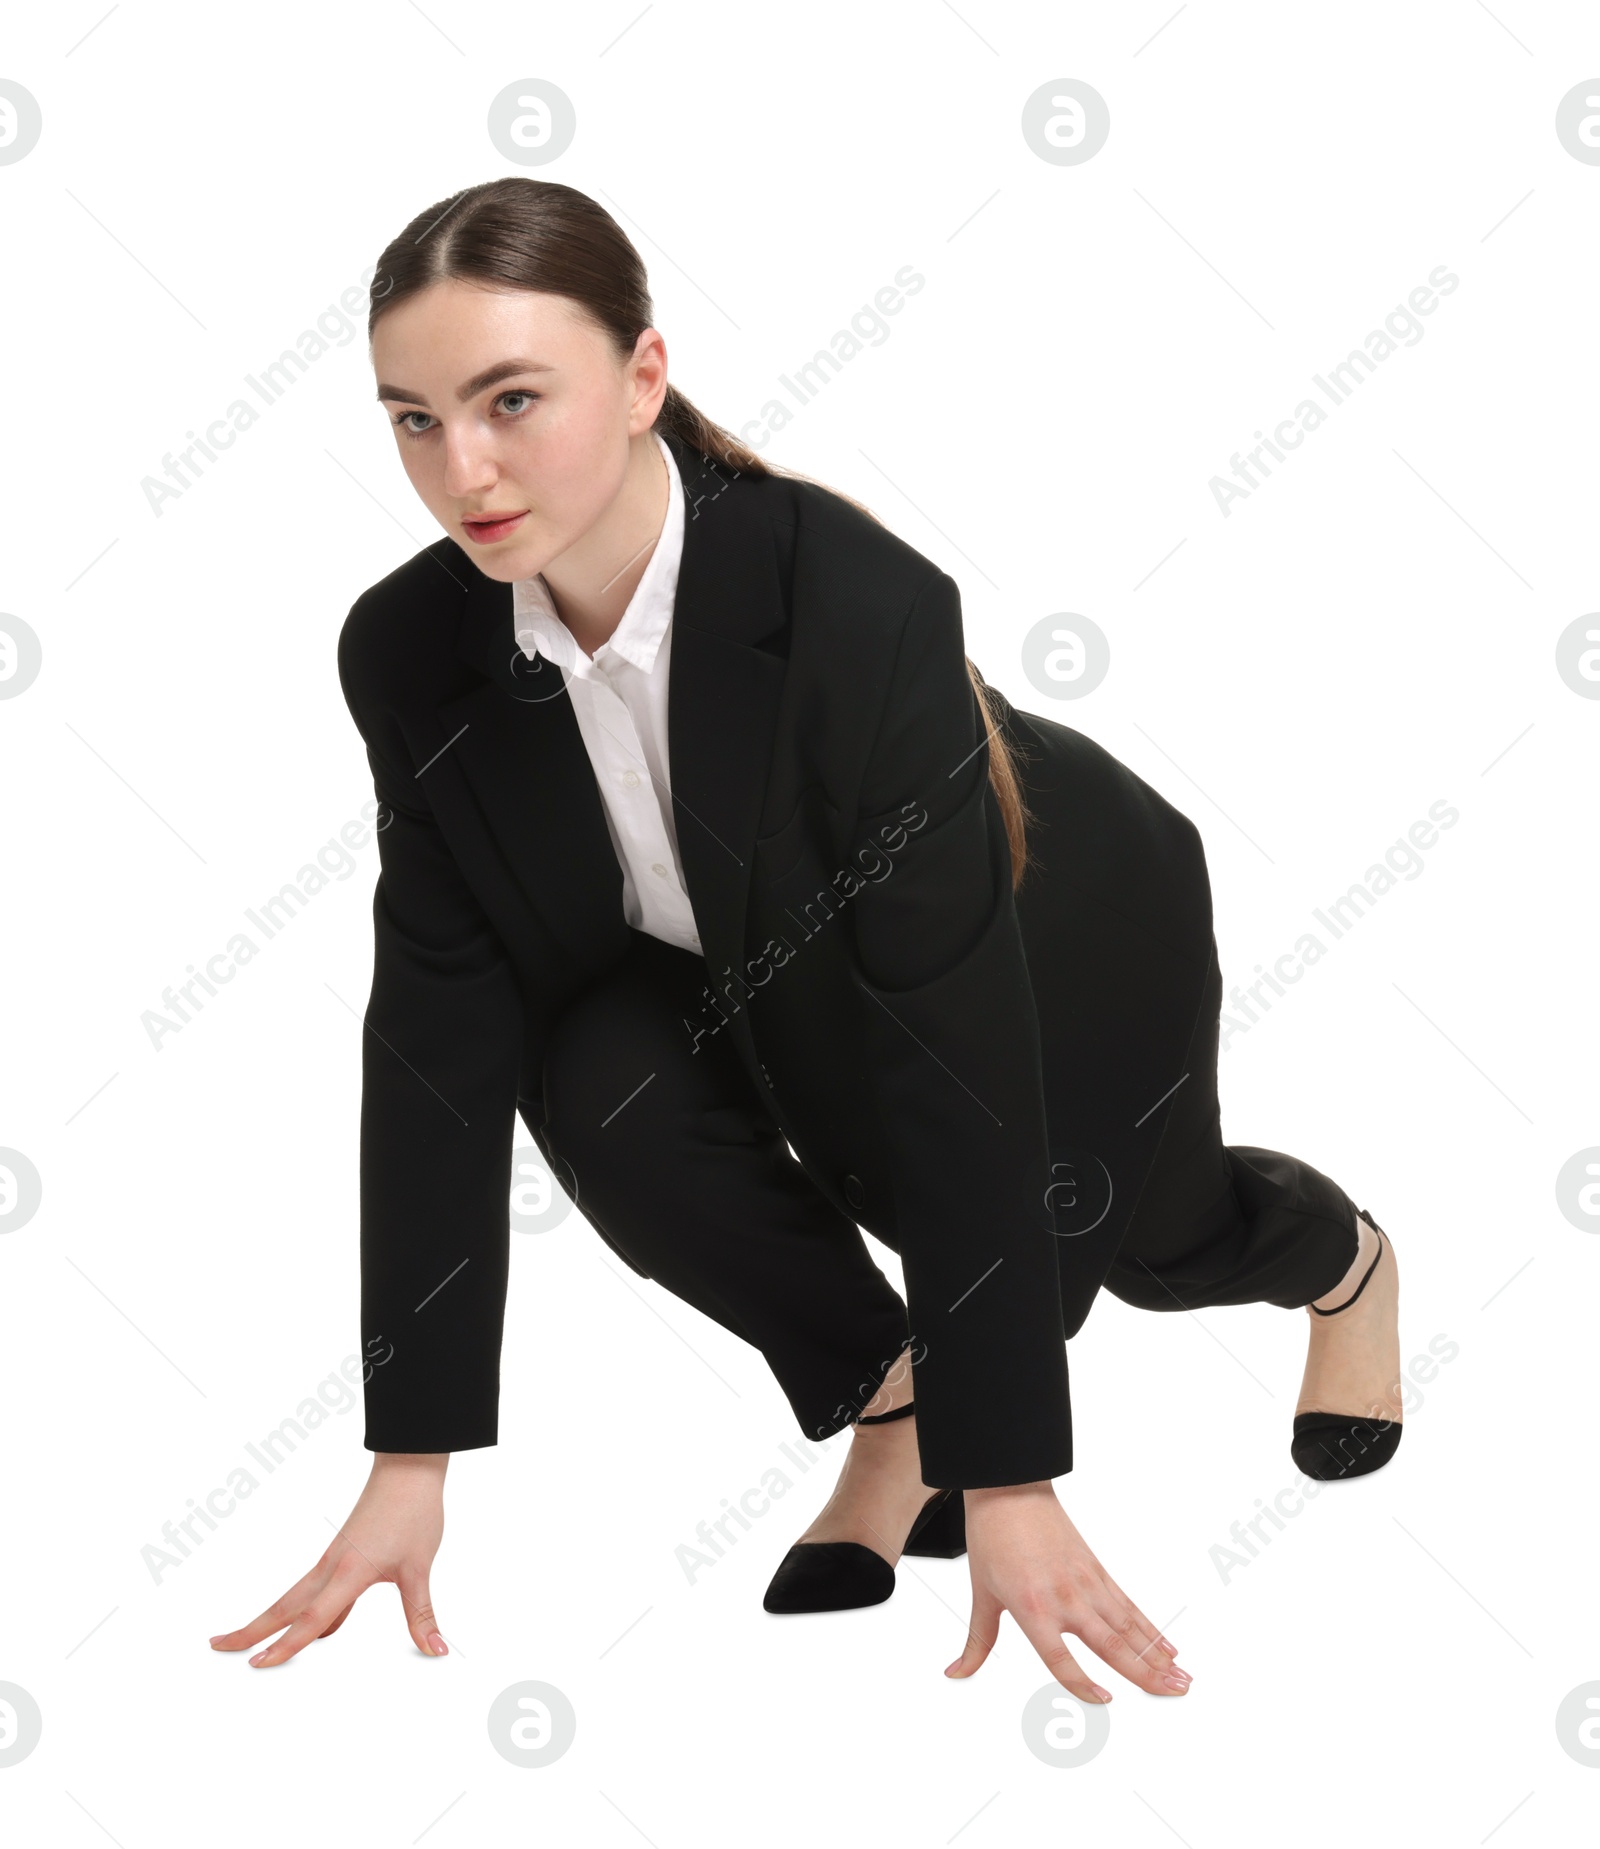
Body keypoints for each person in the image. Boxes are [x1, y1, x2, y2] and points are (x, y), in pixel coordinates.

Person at [210, 178, 1404, 1702]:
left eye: (513, 398)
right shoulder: (409, 649)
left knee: (1149, 1242)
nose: (466, 467)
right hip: (753, 974)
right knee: (589, 1066)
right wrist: (409, 1455)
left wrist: (1016, 1479)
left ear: (644, 377)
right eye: (414, 420)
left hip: (1057, 927)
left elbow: (953, 1045)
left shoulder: (849, 601)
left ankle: (1348, 1266)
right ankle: (888, 1394)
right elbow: (440, 1032)